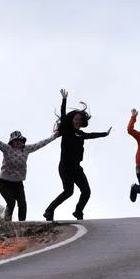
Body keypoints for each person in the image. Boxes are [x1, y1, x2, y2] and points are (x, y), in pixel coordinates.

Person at [44, 89, 112, 221]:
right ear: (72, 120)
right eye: (76, 119)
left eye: (80, 120)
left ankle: (78, 212)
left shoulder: (81, 134)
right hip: (65, 167)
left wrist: (105, 134)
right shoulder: (66, 129)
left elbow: (91, 135)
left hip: (76, 168)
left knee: (86, 191)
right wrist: (64, 100)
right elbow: (63, 115)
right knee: (68, 192)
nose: (78, 121)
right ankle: (49, 211)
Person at [0, 123, 59, 222]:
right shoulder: (7, 149)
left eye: (20, 140)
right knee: (11, 202)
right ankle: (7, 223)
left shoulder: (26, 149)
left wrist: (54, 136)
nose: (18, 142)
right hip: (4, 182)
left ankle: (22, 224)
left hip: (18, 183)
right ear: (11, 142)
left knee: (22, 204)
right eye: (16, 140)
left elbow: (40, 144)